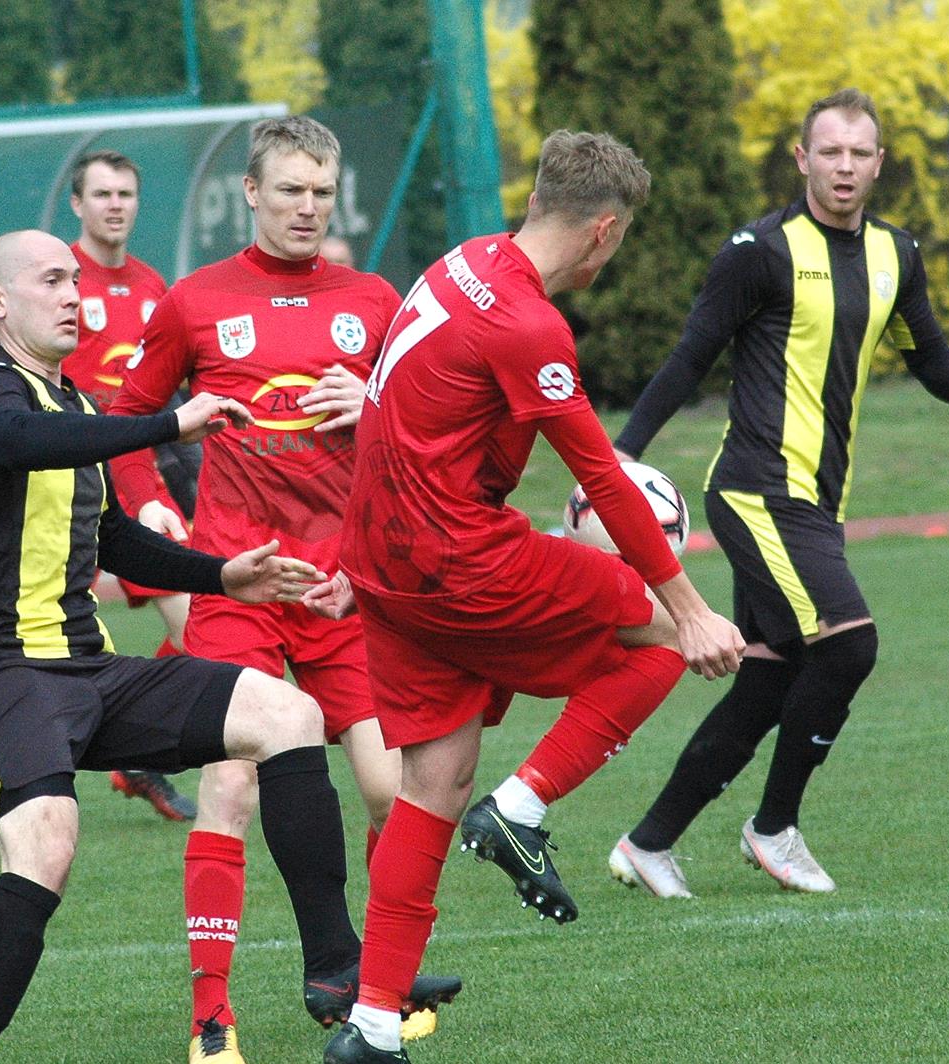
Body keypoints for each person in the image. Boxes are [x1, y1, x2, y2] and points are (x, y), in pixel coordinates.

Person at [0, 229, 454, 1064]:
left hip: (88, 667)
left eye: (75, 280)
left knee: (286, 715)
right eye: (50, 281)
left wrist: (224, 577)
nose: (73, 295)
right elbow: (19, 443)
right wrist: (167, 423)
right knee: (46, 847)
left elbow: (110, 539)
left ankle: (334, 968)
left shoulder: (74, 409)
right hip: (0, 670)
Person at [309, 129, 746, 1063]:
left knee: (432, 786)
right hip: (458, 559)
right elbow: (601, 473)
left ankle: (372, 1026)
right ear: (604, 229)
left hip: (383, 562)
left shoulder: (462, 262)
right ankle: (524, 810)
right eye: (619, 241)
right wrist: (695, 605)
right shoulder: (529, 324)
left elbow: (403, 392)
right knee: (665, 636)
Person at [109, 116, 458, 1062]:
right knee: (230, 787)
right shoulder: (195, 301)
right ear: (252, 194)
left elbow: (436, 428)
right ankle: (211, 1018)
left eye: (321, 192)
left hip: (345, 595)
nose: (308, 207)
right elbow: (127, 420)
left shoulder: (377, 301)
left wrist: (379, 403)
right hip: (238, 588)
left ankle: (367, 987)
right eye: (290, 190)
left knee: (398, 792)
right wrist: (148, 507)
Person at [604, 89, 949, 901]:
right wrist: (618, 461)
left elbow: (925, 354)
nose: (845, 166)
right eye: (830, 151)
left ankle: (649, 844)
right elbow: (690, 359)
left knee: (769, 678)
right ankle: (773, 827)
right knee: (850, 646)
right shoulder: (760, 250)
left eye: (860, 153)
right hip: (757, 490)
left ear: (879, 162)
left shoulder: (898, 252)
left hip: (817, 501)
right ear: (802, 158)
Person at [60, 148, 199, 823]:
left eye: (126, 194)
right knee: (41, 636)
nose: (116, 205)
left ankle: (141, 752)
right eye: (103, 194)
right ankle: (14, 776)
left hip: (142, 472)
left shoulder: (153, 285)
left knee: (207, 622)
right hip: (71, 481)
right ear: (76, 204)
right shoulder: (56, 277)